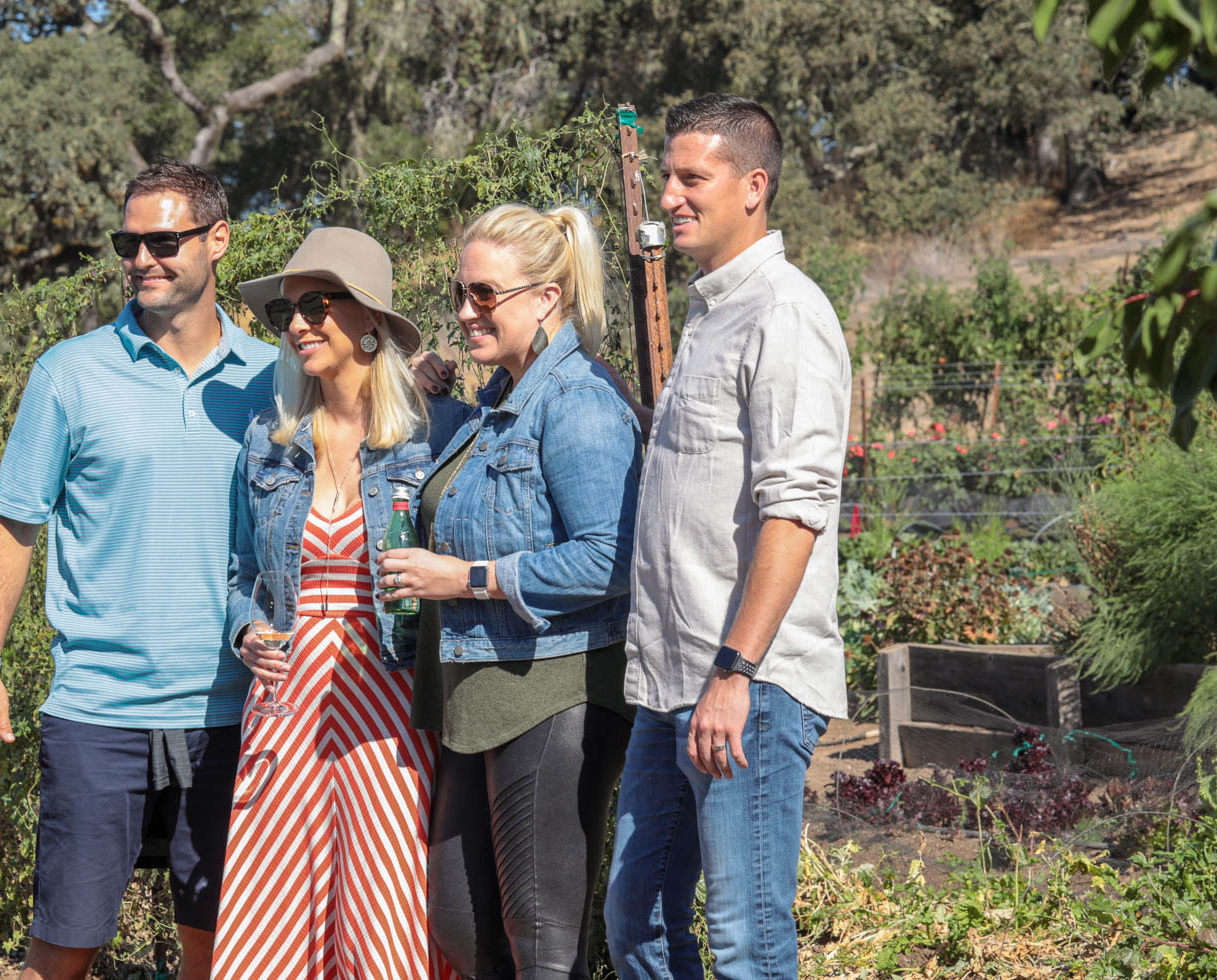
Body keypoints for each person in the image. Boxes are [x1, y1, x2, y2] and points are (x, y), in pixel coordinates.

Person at [0, 160, 276, 980]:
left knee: (221, 948)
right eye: (127, 242)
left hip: (239, 713)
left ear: (218, 239)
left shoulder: (276, 380)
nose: (141, 258)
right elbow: (14, 522)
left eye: (162, 240)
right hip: (100, 710)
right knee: (65, 945)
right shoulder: (69, 372)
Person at [602, 94, 851, 980]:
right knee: (635, 926)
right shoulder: (711, 316)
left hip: (747, 682)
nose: (666, 194)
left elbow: (795, 511)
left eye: (688, 177)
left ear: (753, 187)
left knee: (746, 939)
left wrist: (735, 674)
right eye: (665, 175)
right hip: (673, 679)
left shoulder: (784, 313)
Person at [378, 202, 643, 979]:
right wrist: (439, 397)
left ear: (546, 297)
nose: (465, 312)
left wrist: (465, 580)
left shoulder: (578, 401)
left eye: (484, 296)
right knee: (460, 926)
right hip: (482, 687)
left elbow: (612, 557)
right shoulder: (499, 400)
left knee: (543, 943)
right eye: (461, 293)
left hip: (554, 685)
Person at [213, 227, 466, 979]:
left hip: (387, 695)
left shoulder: (430, 438)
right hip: (285, 702)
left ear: (372, 321)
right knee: (274, 921)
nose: (297, 324)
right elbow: (238, 572)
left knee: (383, 915)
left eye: (317, 304)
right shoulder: (269, 438)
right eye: (286, 312)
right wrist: (246, 631)